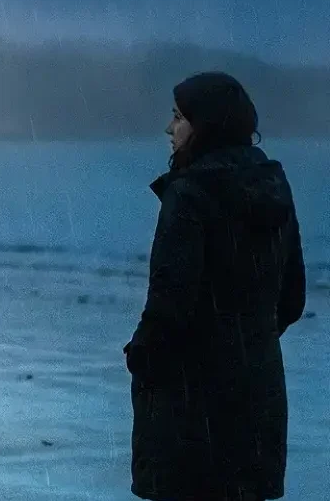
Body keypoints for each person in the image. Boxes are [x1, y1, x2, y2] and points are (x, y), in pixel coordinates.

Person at [123, 72, 306, 501]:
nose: (169, 128)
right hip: (257, 399)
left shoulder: (189, 194)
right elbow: (292, 298)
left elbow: (170, 303)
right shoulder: (273, 186)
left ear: (204, 125)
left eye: (178, 117)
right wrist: (246, 339)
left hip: (192, 411)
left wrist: (142, 356)